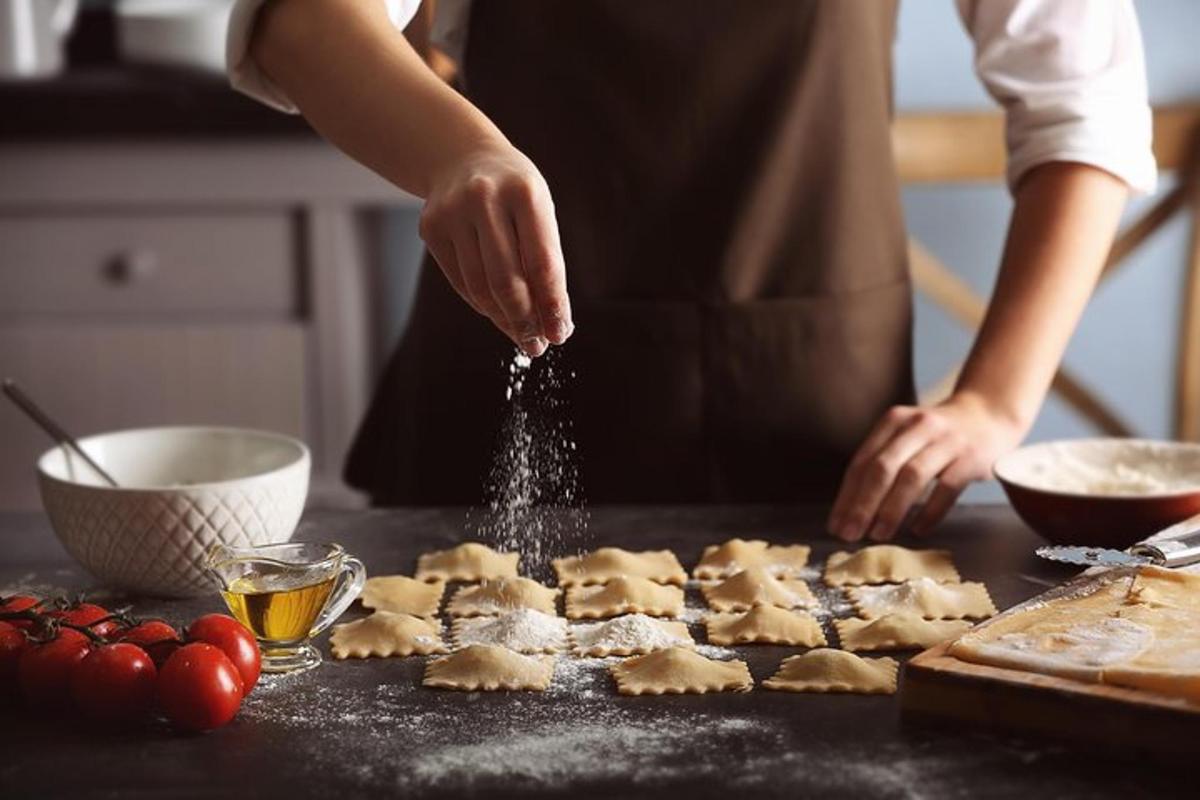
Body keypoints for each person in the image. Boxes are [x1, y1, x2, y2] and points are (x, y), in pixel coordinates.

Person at [227, 0, 1154, 540]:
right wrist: (456, 154)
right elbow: (298, 20)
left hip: (822, 436)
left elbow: (1086, 104)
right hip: (496, 405)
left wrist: (995, 399)